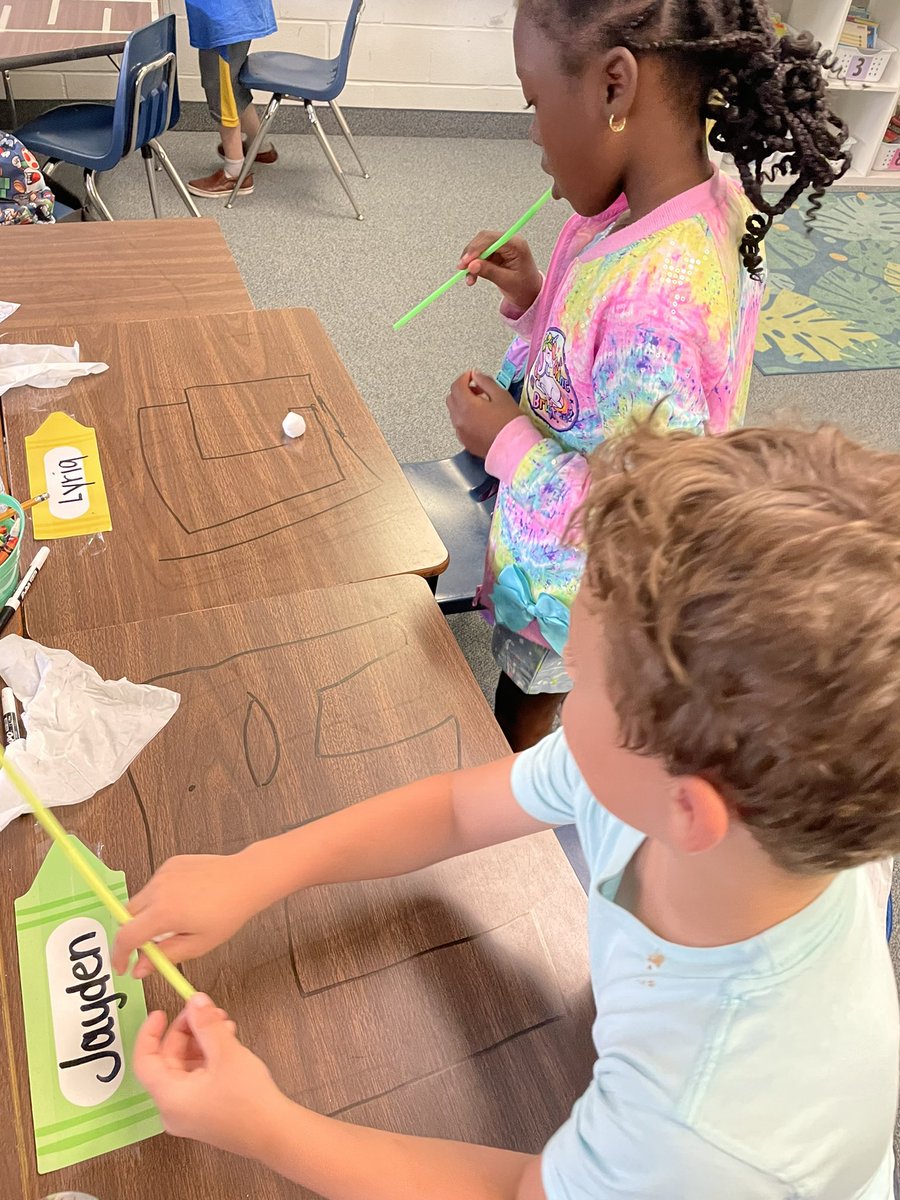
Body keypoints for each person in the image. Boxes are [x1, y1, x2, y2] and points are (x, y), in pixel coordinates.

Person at [117, 423, 900, 1200]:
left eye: (582, 676)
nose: (562, 676)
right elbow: (459, 809)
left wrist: (260, 1125)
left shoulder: (702, 1125)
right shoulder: (709, 792)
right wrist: (257, 870)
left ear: (688, 810)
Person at [445, 0, 850, 752]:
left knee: (533, 710)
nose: (533, 132)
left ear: (613, 86)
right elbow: (597, 361)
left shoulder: (660, 303)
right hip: (567, 516)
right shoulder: (665, 209)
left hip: (589, 579)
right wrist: (536, 297)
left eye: (534, 102)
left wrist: (506, 442)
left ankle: (529, 799)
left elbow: (640, 516)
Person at [185, 0, 279, 199]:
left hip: (224, 16)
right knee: (231, 83)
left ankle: (234, 174)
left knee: (221, 89)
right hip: (233, 13)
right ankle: (259, 146)